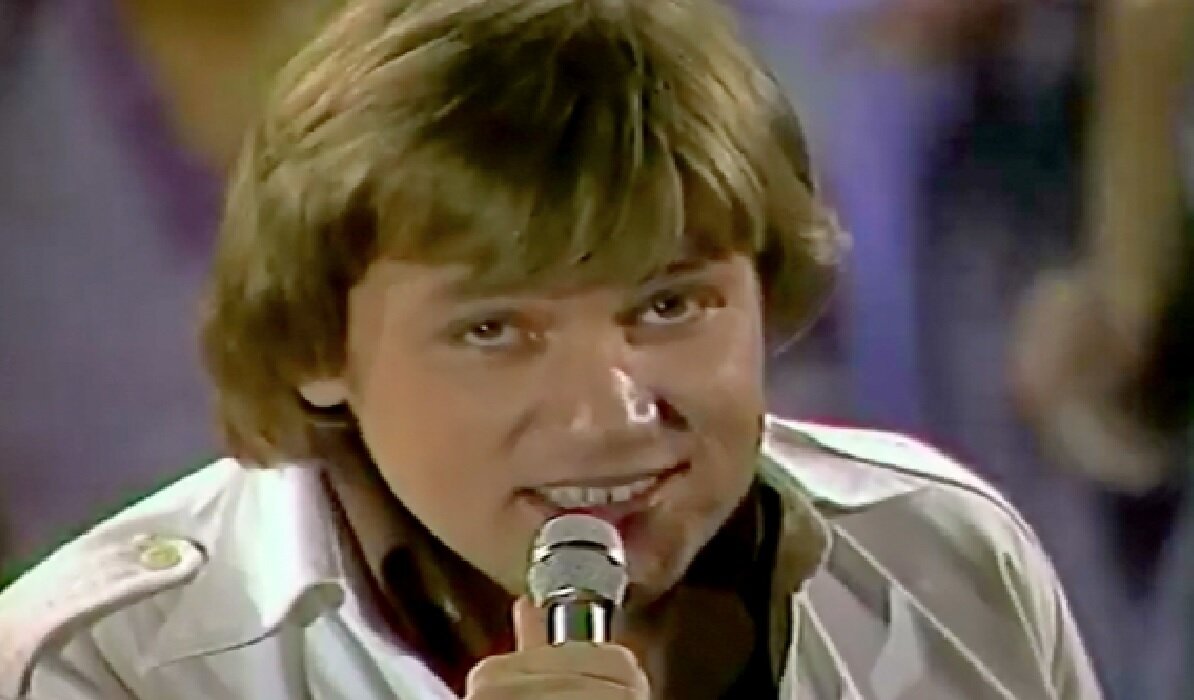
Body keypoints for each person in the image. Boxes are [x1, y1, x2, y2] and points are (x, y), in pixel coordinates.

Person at [0, 0, 1103, 698]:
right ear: (320, 341)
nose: (610, 412)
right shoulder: (100, 667)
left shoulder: (942, 553)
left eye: (670, 307)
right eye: (496, 331)